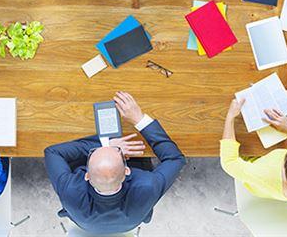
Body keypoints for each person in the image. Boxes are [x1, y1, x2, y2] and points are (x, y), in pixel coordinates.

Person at [44, 91, 185, 234]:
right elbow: (175, 159)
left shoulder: (70, 190)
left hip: (88, 223)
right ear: (127, 170)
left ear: (87, 175)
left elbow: (52, 152)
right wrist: (139, 120)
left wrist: (104, 144)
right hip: (128, 222)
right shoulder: (147, 186)